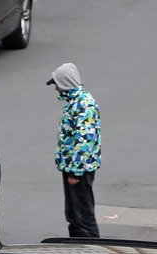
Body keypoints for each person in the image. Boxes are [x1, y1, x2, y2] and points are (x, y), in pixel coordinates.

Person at [47, 62, 101, 238]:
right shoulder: (75, 102)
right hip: (72, 168)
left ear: (65, 83)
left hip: (78, 171)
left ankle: (92, 252)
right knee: (73, 214)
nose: (56, 89)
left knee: (83, 216)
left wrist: (75, 173)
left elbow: (84, 141)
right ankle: (78, 246)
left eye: (57, 84)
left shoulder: (84, 105)